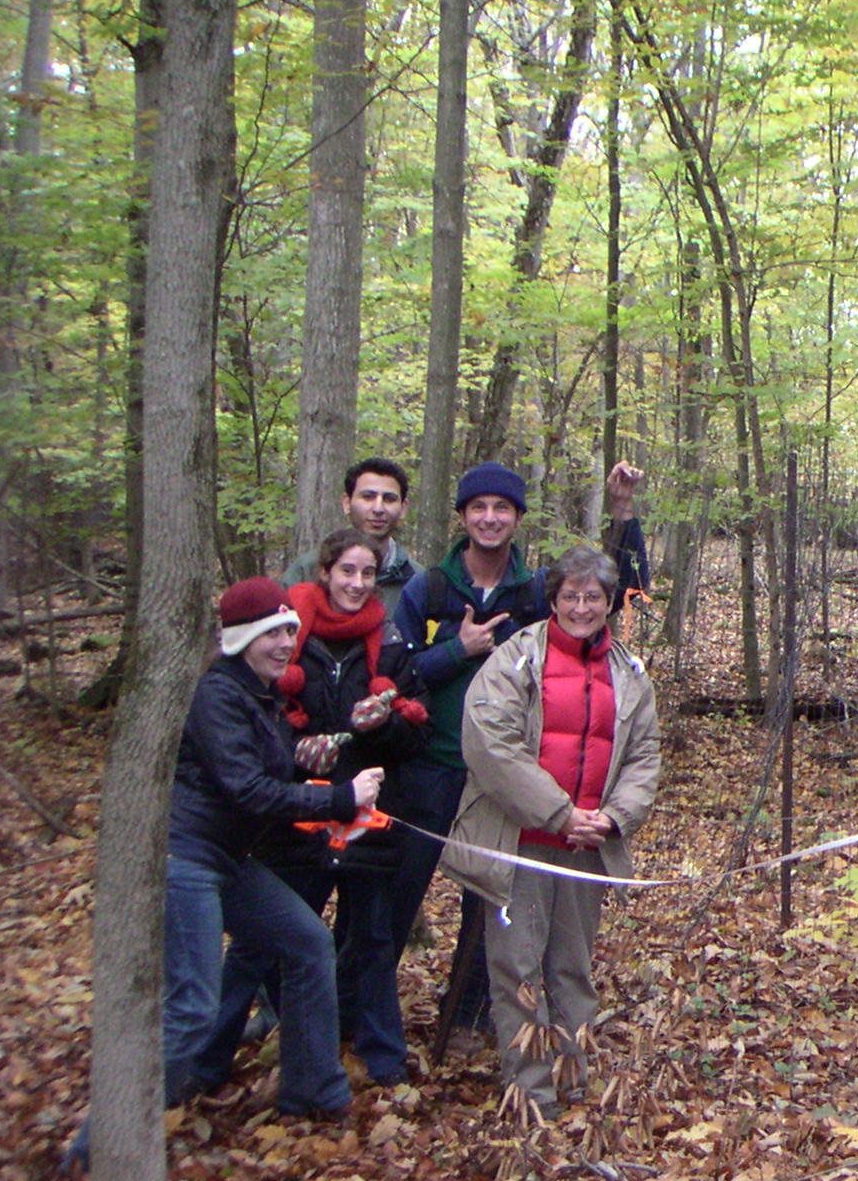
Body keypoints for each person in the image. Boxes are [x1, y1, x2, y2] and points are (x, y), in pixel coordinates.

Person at [388, 460, 649, 1046]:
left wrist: (621, 513)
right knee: (395, 901)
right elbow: (392, 676)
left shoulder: (533, 592)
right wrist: (456, 650)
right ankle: (374, 1032)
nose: (489, 517)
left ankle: (469, 1021)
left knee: (490, 910)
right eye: (477, 507)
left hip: (505, 784)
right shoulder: (427, 587)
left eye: (501, 508)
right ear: (461, 516)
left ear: (517, 519)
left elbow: (609, 586)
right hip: (431, 766)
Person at [439, 546, 661, 1115]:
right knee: (517, 969)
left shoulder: (630, 674)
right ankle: (530, 1093)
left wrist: (613, 819)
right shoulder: (516, 659)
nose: (581, 607)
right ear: (553, 599)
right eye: (570, 596)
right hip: (520, 846)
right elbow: (489, 744)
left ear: (609, 602)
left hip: (586, 849)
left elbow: (643, 756)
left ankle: (574, 1080)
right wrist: (558, 812)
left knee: (572, 969)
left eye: (593, 598)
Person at [162, 578, 385, 1116]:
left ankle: (314, 1092)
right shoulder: (217, 692)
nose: (285, 644)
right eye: (272, 634)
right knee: (191, 1006)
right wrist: (338, 798)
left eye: (290, 632)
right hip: (188, 858)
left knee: (308, 943)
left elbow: (267, 764)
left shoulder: (260, 693)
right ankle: (108, 1139)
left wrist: (309, 755)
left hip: (230, 859)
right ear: (241, 639)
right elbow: (245, 788)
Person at [243, 529, 429, 1084]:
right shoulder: (287, 636)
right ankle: (302, 1045)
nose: (356, 583)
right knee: (285, 938)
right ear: (324, 571)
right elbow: (250, 717)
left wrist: (388, 722)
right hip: (298, 815)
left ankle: (382, 1057)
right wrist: (292, 748)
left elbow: (418, 728)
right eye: (347, 571)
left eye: (368, 574)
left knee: (372, 939)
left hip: (369, 817)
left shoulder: (390, 642)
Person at [283, 458, 420, 613]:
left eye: (389, 499)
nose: (378, 508)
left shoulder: (417, 580)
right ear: (347, 503)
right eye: (368, 497)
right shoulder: (308, 569)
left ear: (403, 508)